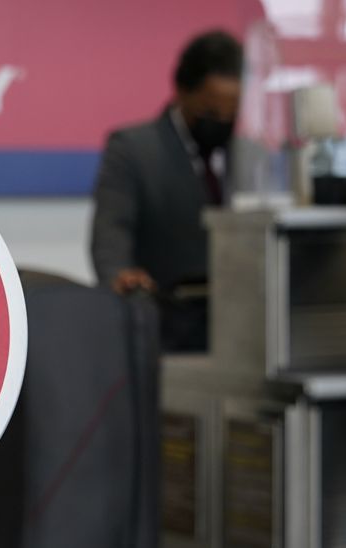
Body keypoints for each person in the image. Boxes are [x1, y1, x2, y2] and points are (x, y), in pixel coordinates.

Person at [90, 30, 242, 352]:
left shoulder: (253, 153)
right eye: (211, 113)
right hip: (167, 329)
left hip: (242, 326)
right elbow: (111, 230)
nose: (223, 122)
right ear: (181, 91)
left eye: (232, 114)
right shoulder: (133, 148)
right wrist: (119, 274)